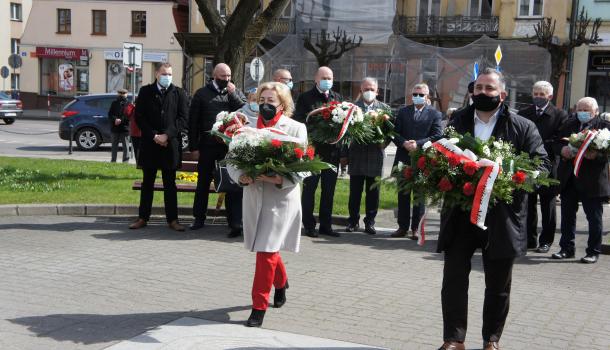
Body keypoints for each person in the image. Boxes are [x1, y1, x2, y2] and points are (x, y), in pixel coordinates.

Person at [436, 68, 549, 350]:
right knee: (453, 279)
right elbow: (438, 153)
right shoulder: (456, 120)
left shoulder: (522, 126)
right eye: (479, 88)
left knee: (498, 285)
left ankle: (491, 340)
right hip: (460, 213)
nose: (483, 93)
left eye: (490, 89)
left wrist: (513, 178)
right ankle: (454, 339)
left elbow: (543, 164)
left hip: (501, 215)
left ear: (503, 94)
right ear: (472, 92)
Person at [227, 82, 307, 328]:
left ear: (282, 104)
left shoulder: (295, 128)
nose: (265, 105)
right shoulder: (246, 127)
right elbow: (233, 160)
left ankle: (258, 307)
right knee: (267, 248)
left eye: (270, 101)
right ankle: (281, 283)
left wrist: (278, 177)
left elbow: (303, 166)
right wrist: (241, 176)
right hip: (254, 194)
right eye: (262, 100)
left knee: (266, 252)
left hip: (280, 198)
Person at [188, 63, 247, 237]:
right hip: (207, 146)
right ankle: (199, 218)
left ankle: (234, 222)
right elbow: (193, 123)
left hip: (228, 147)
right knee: (203, 183)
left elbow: (243, 111)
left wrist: (233, 93)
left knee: (232, 183)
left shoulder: (233, 92)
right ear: (214, 76)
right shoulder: (201, 94)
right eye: (223, 77)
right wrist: (193, 147)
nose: (226, 79)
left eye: (229, 76)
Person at [129, 63, 188, 232]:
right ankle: (143, 217)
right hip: (150, 144)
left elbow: (183, 119)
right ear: (156, 74)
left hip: (170, 146)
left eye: (169, 73)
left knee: (170, 184)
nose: (167, 76)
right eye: (164, 73)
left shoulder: (179, 93)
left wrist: (166, 135)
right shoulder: (146, 91)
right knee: (148, 182)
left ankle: (173, 219)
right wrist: (154, 135)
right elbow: (139, 117)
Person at [551, 97, 610, 264]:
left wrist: (596, 155)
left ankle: (593, 251)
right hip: (570, 178)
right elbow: (555, 142)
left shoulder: (604, 127)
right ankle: (566, 249)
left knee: (594, 218)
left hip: (593, 181)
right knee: (567, 216)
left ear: (596, 112)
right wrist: (561, 149)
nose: (582, 113)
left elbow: (607, 152)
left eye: (587, 110)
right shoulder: (569, 124)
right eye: (580, 110)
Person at [517, 81, 568, 253]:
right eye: (535, 93)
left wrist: (540, 146)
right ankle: (529, 239)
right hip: (527, 164)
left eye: (542, 94)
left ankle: (546, 241)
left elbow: (560, 141)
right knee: (528, 204)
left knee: (548, 206)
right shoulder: (524, 113)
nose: (538, 97)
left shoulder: (560, 115)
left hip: (550, 166)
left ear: (550, 97)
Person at [294, 66, 343, 237]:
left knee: (329, 191)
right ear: (316, 79)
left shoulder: (337, 97)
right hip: (313, 151)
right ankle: (309, 225)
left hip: (332, 152)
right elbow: (299, 120)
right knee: (309, 189)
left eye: (329, 78)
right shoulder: (305, 98)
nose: (327, 81)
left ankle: (326, 225)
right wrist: (318, 126)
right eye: (324, 77)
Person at [391, 83, 442, 239]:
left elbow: (437, 135)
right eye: (415, 94)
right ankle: (402, 227)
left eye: (421, 94)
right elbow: (394, 133)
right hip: (403, 158)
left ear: (427, 97)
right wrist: (404, 143)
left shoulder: (435, 114)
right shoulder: (403, 112)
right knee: (403, 194)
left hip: (422, 160)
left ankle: (416, 229)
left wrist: (417, 144)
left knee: (419, 197)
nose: (417, 97)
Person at [343, 77, 389, 235]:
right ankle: (352, 221)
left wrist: (384, 142)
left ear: (377, 91)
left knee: (373, 193)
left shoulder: (385, 109)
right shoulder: (352, 108)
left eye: (372, 89)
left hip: (376, 155)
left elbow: (390, 131)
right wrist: (344, 155)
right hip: (356, 155)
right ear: (361, 91)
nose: (369, 92)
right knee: (355, 192)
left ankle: (370, 222)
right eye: (366, 89)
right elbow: (344, 133)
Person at [108, 88, 131, 163]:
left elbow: (129, 115)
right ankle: (113, 161)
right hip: (115, 128)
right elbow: (110, 114)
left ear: (126, 94)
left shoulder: (129, 104)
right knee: (114, 146)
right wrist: (115, 119)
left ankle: (125, 161)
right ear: (118, 94)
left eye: (123, 93)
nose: (122, 95)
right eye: (120, 93)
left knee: (126, 146)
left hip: (125, 128)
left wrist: (121, 120)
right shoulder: (114, 103)